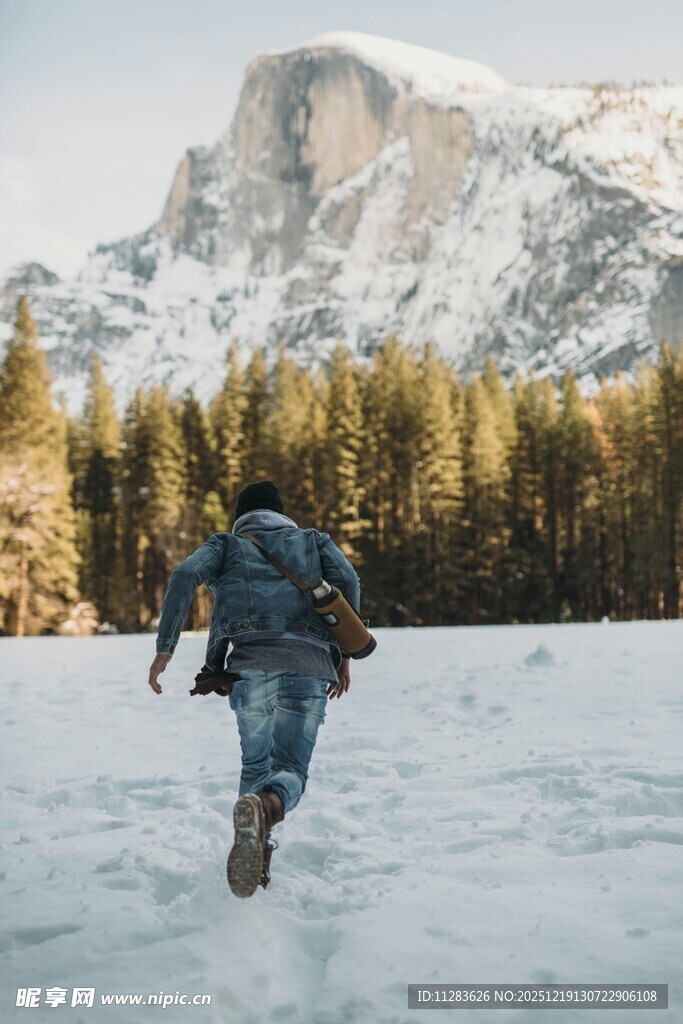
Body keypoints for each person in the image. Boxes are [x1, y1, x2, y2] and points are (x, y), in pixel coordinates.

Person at [147, 480, 362, 898]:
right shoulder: (313, 542)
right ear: (281, 512)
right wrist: (345, 655)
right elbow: (349, 580)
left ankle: (254, 856)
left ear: (242, 515)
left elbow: (184, 574)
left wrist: (164, 650)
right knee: (291, 770)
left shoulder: (226, 544)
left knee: (255, 764)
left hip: (249, 671)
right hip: (307, 668)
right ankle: (266, 810)